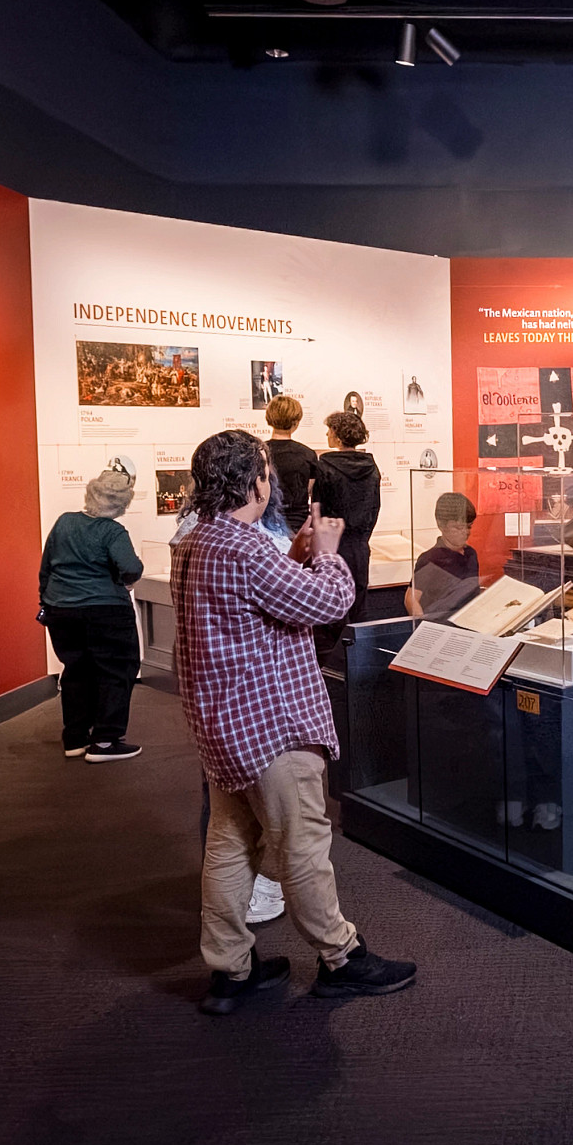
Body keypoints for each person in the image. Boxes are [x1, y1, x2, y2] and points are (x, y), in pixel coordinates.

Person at [173, 429, 416, 1015]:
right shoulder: (244, 546)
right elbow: (330, 603)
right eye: (265, 471)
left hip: (225, 726)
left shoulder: (196, 542)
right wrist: (329, 552)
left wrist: (298, 556)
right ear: (255, 481)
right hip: (272, 724)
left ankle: (231, 970)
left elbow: (260, 599)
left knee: (231, 843)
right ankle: (342, 958)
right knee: (304, 845)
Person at [39, 466, 144, 763]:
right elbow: (131, 568)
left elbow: (46, 568)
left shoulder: (64, 523)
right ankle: (106, 741)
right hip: (106, 612)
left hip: (61, 611)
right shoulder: (112, 531)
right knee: (116, 671)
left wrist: (47, 602)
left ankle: (75, 739)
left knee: (75, 671)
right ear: (122, 502)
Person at [316, 409, 382, 642]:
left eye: (329, 430)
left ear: (337, 434)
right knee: (358, 606)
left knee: (331, 606)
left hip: (333, 545)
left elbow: (319, 508)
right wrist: (363, 535)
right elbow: (375, 507)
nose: (326, 434)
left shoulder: (325, 465)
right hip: (360, 545)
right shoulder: (371, 467)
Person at [406, 491, 481, 618]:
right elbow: (411, 599)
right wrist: (424, 626)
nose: (465, 532)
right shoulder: (431, 558)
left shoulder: (470, 554)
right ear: (441, 525)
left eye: (469, 526)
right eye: (457, 527)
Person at [263, 395, 321, 535]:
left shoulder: (259, 452)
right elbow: (308, 490)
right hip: (297, 523)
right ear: (296, 422)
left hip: (265, 520)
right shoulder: (307, 454)